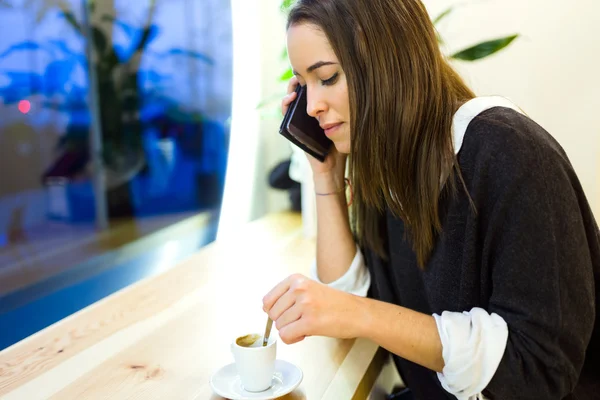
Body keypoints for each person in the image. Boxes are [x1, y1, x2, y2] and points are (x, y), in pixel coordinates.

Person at [262, 0, 600, 399]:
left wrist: (358, 313)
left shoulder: (510, 152)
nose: (313, 106)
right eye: (303, 86)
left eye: (328, 77)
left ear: (387, 61)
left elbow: (539, 371)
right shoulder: (388, 165)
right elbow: (351, 304)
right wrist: (326, 175)